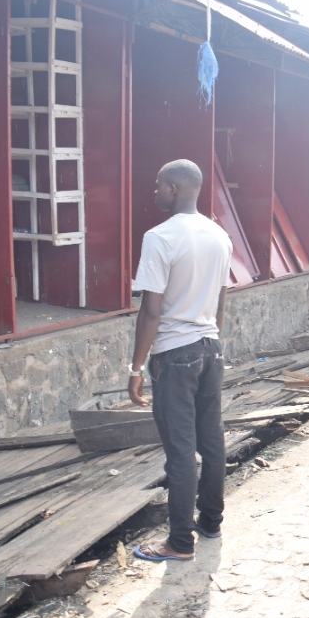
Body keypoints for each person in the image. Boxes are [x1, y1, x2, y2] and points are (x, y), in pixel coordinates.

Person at [129, 159, 232, 563]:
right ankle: (210, 522)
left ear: (173, 188)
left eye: (158, 185)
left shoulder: (159, 237)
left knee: (181, 451)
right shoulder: (219, 236)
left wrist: (136, 369)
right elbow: (222, 302)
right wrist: (214, 342)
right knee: (212, 441)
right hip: (210, 349)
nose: (154, 192)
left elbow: (150, 312)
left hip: (174, 355)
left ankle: (179, 543)